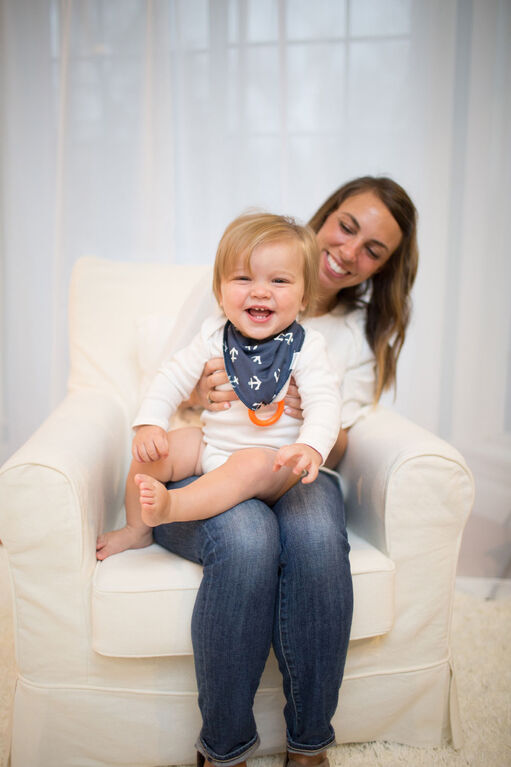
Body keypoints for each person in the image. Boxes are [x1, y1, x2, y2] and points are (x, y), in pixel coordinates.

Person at [118, 176, 419, 767]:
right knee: (248, 537)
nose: (350, 251)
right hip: (213, 455)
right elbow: (170, 383)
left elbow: (334, 426)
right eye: (348, 226)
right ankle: (224, 747)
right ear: (327, 214)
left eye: (373, 250)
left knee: (310, 538)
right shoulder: (220, 315)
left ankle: (309, 742)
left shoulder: (336, 342)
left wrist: (311, 433)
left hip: (293, 464)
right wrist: (198, 398)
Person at [96, 212, 342, 559]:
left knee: (250, 463)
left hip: (273, 464)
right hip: (213, 446)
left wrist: (311, 447)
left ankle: (174, 506)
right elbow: (172, 376)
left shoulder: (307, 346)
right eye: (243, 278)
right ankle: (136, 529)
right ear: (219, 291)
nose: (260, 291)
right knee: (158, 450)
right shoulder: (214, 336)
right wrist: (151, 423)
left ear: (304, 298)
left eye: (279, 281)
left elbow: (325, 402)